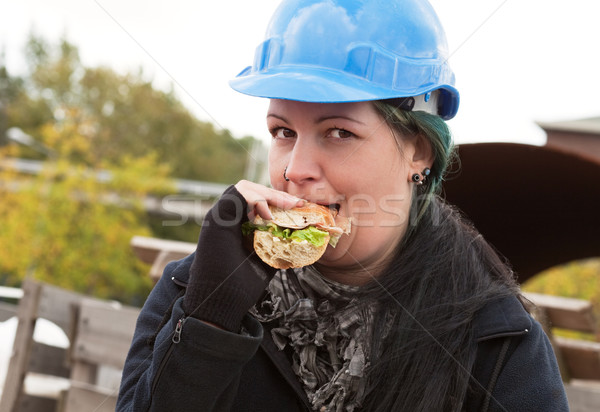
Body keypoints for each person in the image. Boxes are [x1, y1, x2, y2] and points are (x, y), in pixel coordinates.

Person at [116, 0, 569, 411]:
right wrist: (210, 321)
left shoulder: (497, 342)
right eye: (282, 131)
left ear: (419, 152)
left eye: (339, 133)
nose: (295, 169)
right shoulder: (189, 294)